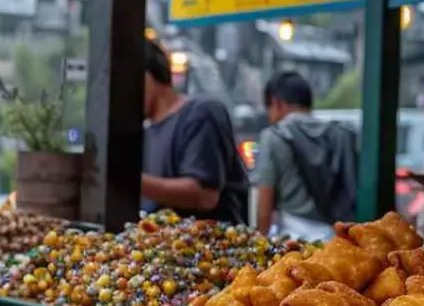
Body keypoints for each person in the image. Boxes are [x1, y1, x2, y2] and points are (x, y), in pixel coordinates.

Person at [141, 39, 249, 223]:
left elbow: (205, 196)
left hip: (211, 246)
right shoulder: (148, 131)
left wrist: (129, 181)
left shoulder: (201, 113)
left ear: (147, 78)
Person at [256, 70, 357, 241]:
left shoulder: (274, 136)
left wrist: (260, 242)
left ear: (276, 103)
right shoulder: (339, 134)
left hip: (292, 241)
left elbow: (265, 202)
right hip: (335, 239)